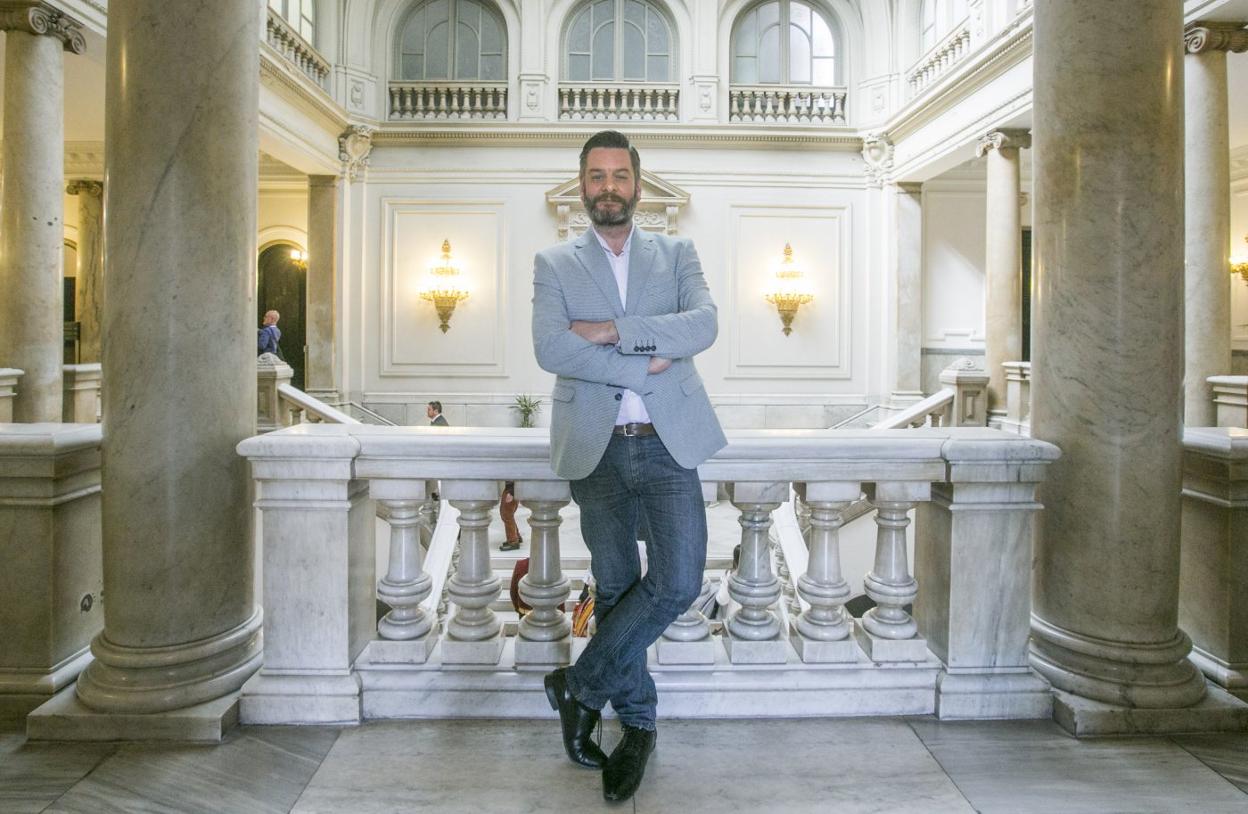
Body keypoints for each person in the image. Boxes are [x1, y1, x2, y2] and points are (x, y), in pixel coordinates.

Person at [531, 130, 726, 802]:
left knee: (677, 580)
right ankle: (637, 728)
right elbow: (552, 349)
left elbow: (701, 325)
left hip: (669, 441)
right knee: (616, 590)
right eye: (595, 175)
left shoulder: (677, 252)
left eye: (619, 175)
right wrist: (646, 356)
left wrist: (613, 330)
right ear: (582, 184)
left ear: (637, 184)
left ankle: (578, 687)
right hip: (598, 447)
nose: (608, 187)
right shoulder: (554, 263)